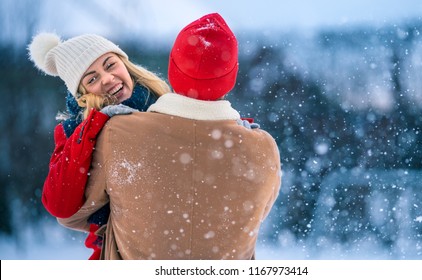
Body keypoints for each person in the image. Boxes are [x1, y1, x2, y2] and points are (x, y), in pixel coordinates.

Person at [58, 13, 281, 260]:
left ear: (172, 67)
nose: (108, 79)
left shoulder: (118, 134)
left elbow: (71, 213)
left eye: (110, 65)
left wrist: (130, 212)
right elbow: (255, 214)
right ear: (232, 76)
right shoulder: (264, 148)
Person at [28, 33, 171, 259]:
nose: (107, 78)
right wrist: (95, 124)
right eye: (92, 79)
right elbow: (59, 205)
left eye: (110, 65)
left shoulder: (166, 104)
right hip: (120, 252)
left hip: (179, 247)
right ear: (82, 94)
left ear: (124, 63)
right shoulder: (75, 133)